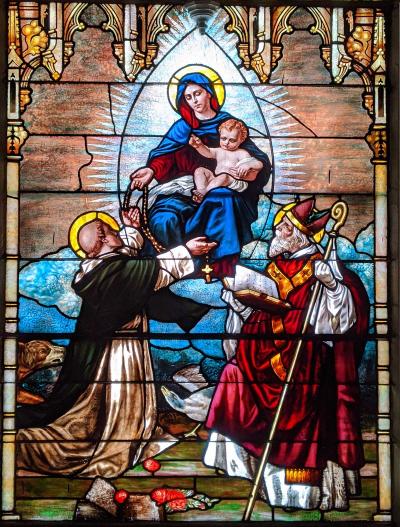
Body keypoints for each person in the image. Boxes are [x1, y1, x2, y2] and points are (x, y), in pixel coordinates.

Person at [16, 207, 216, 478]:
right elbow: (146, 272)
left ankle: (130, 436)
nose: (115, 232)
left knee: (126, 400)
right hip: (114, 353)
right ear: (102, 239)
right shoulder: (107, 272)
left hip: (124, 343)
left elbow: (127, 258)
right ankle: (114, 443)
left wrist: (131, 228)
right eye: (110, 231)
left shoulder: (104, 267)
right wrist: (186, 251)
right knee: (117, 401)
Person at [204, 198, 369, 511]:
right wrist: (240, 301)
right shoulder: (275, 267)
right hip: (263, 355)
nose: (276, 232)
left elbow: (341, 320)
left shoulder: (323, 265)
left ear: (301, 234)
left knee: (302, 398)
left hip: (305, 359)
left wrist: (332, 285)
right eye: (279, 227)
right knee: (232, 376)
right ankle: (245, 468)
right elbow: (265, 308)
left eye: (283, 228)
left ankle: (298, 491)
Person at [130, 71, 271, 277]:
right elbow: (165, 156)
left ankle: (222, 268)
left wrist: (248, 165)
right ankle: (172, 271)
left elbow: (257, 161)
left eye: (197, 93)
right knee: (163, 218)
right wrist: (152, 170)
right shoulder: (181, 128)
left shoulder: (229, 126)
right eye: (188, 97)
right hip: (185, 190)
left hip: (225, 190)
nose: (194, 100)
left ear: (209, 93)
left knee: (221, 198)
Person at [189, 119, 263, 203]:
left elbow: (259, 164)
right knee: (200, 170)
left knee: (224, 176)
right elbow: (208, 152)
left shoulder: (241, 153)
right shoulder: (219, 151)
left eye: (232, 140)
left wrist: (248, 165)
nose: (226, 143)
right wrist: (198, 146)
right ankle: (201, 191)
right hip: (218, 180)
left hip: (235, 182)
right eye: (223, 138)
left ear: (241, 140)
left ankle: (206, 193)